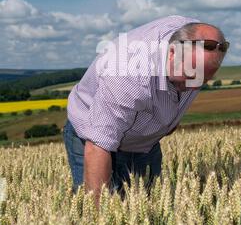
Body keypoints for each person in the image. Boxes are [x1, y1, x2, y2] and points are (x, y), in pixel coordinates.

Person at [63, 15, 229, 203]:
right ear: (172, 52)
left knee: (151, 205)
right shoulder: (127, 74)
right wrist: (100, 222)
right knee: (101, 205)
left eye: (203, 80)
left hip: (145, 141)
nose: (193, 86)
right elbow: (98, 145)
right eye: (189, 75)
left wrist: (169, 121)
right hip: (92, 135)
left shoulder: (198, 37)